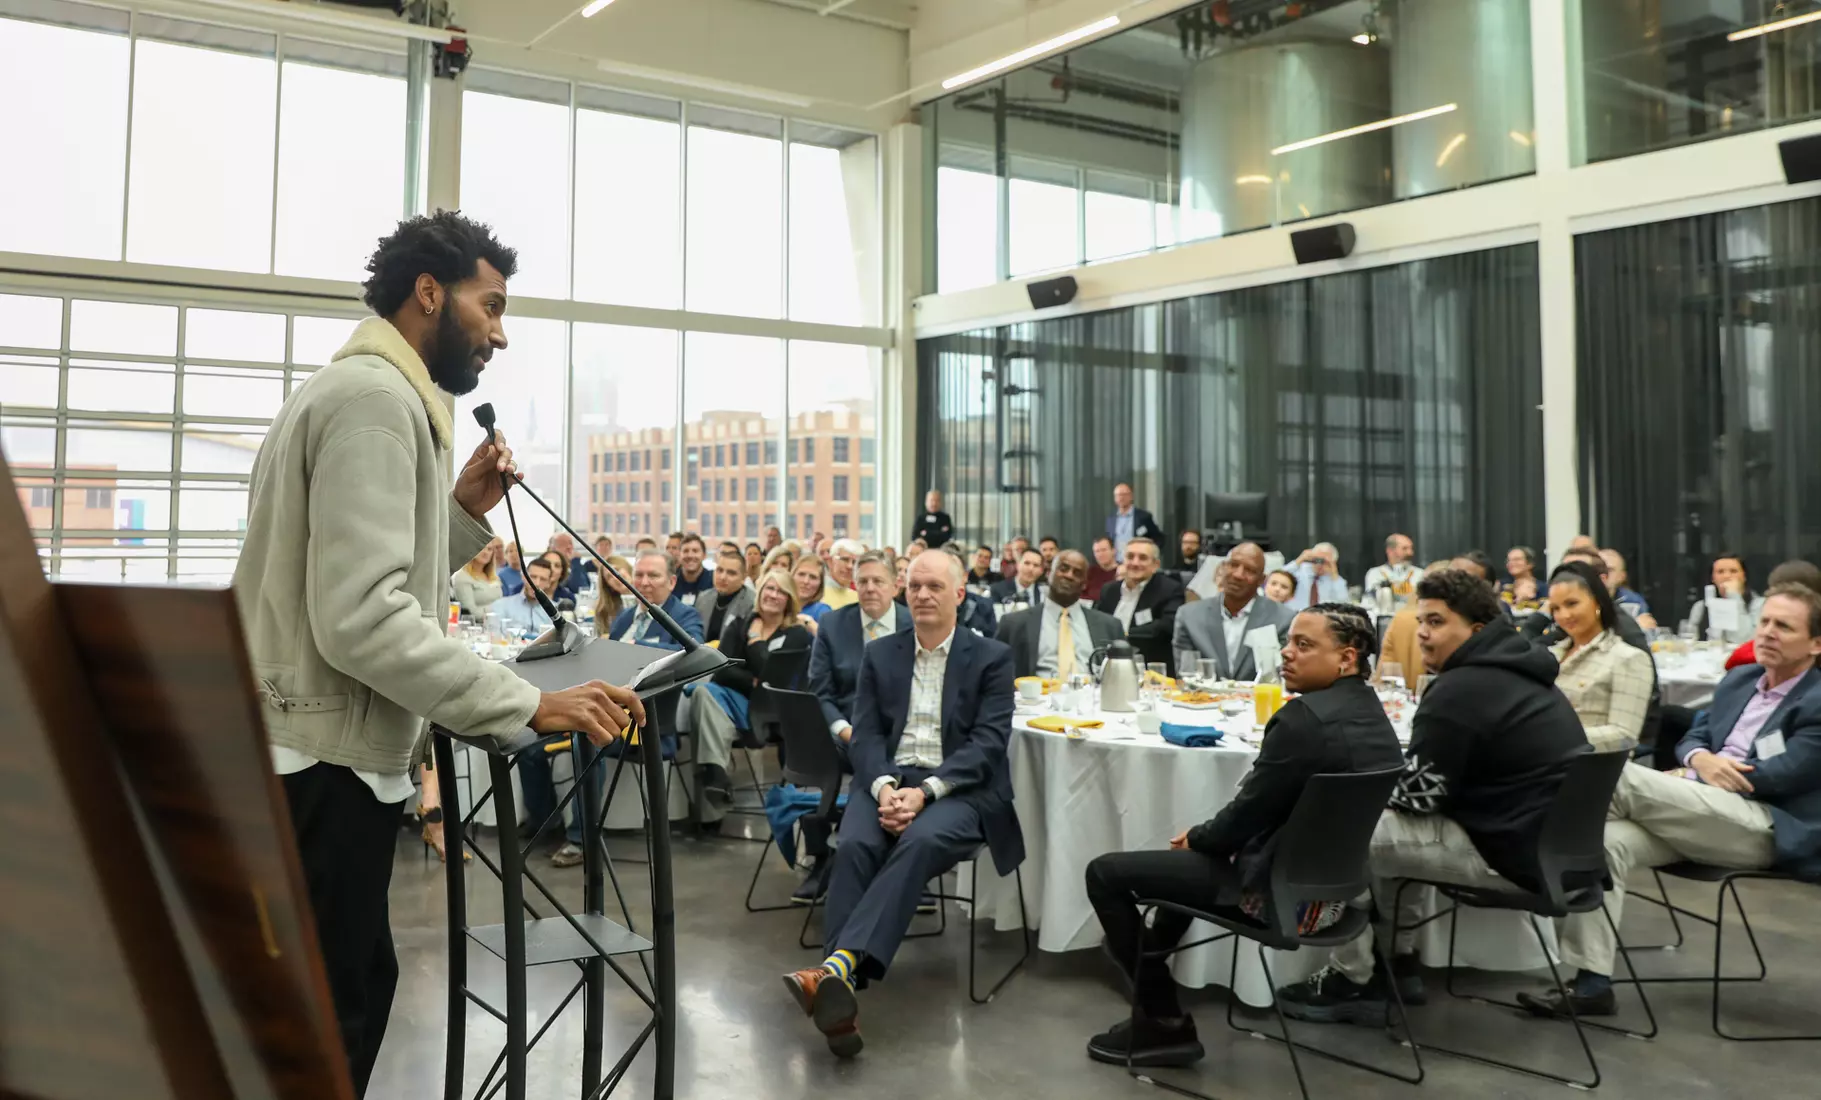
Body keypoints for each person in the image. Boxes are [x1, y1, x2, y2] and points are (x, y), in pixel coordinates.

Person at [234, 211, 641, 1096]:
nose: (499, 331)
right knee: (328, 1021)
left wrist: (458, 515)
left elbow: (347, 580)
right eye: (489, 306)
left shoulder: (350, 395)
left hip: (308, 753)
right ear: (429, 294)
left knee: (345, 991)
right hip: (325, 766)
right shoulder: (378, 404)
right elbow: (362, 621)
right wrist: (526, 702)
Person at [1084, 604, 1403, 1067]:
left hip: (1280, 899)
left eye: (1304, 645)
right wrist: (1206, 841)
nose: (1286, 655)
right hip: (1338, 896)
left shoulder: (1303, 721)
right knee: (1179, 878)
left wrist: (1197, 837)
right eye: (1288, 642)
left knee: (1105, 874)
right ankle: (1148, 973)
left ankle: (1163, 1020)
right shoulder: (1373, 714)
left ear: (1347, 658)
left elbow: (1242, 819)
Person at [1276, 569, 1590, 1025]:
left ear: (1476, 631)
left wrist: (1370, 794)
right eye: (1422, 620)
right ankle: (1399, 964)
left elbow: (1420, 800)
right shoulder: (1522, 670)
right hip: (1549, 842)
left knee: (1340, 831)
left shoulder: (1459, 690)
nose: (1422, 632)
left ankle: (1352, 978)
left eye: (1438, 622)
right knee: (1387, 837)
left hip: (1512, 856)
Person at [1525, 583, 1821, 1019]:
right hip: (1699, 808)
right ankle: (1591, 985)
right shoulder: (1741, 680)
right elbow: (1694, 736)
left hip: (1766, 825)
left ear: (1816, 643)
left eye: (1784, 626)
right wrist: (1701, 759)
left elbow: (1787, 773)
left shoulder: (1816, 700)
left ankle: (1522, 835)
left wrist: (1702, 771)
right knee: (1604, 842)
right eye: (1764, 622)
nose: (1767, 633)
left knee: (1614, 774)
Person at [781, 551, 1021, 1059]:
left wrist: (926, 792)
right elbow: (866, 734)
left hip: (960, 788)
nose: (923, 595)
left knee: (921, 839)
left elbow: (988, 745)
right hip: (889, 779)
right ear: (904, 593)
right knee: (854, 845)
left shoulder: (992, 657)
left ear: (959, 594)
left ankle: (834, 970)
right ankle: (839, 999)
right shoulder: (883, 653)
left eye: (935, 586)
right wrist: (886, 786)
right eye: (914, 586)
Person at [692, 569, 813, 810]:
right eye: (769, 588)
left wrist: (756, 640)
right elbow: (721, 670)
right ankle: (716, 773)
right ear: (760, 592)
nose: (773, 595)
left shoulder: (797, 633)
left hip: (770, 712)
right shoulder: (739, 624)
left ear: (789, 599)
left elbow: (774, 678)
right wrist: (751, 680)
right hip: (735, 702)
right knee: (701, 691)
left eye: (780, 591)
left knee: (711, 703)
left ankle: (714, 774)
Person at [1545, 561, 1655, 754]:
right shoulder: (1551, 654)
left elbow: (1624, 735)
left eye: (1572, 603)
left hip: (1595, 769)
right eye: (1555, 608)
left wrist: (1552, 738)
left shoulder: (1627, 658)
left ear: (1597, 602)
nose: (1564, 615)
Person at [1173, 542, 1295, 680]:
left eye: (1249, 570)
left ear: (1261, 580)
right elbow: (1186, 675)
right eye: (1233, 565)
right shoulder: (1189, 617)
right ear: (1222, 568)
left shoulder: (1284, 619)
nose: (1238, 575)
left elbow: (1280, 677)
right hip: (1204, 699)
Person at [996, 549, 1126, 680]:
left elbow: (1123, 679)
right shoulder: (1014, 624)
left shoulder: (1110, 626)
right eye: (1063, 569)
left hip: (1094, 697)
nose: (1069, 576)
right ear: (1048, 574)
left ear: (1084, 584)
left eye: (1077, 573)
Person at [1094, 537, 1185, 672]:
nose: (1135, 563)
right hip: (1107, 666)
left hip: (1150, 669)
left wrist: (1122, 635)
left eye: (1143, 558)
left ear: (1156, 565)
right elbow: (1096, 622)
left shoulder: (1170, 589)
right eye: (1130, 557)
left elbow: (1165, 627)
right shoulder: (1109, 590)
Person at [606, 549, 707, 650]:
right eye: (639, 575)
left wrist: (638, 647)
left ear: (671, 582)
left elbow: (695, 651)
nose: (644, 583)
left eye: (653, 576)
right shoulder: (624, 616)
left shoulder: (686, 616)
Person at [1689, 552, 1764, 645]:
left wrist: (1734, 596)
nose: (1727, 576)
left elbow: (1745, 640)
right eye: (1720, 572)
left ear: (1744, 576)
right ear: (1713, 578)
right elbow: (1690, 639)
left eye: (1733, 571)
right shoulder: (1700, 607)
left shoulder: (1760, 605)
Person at [696, 544, 757, 645]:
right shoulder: (703, 598)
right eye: (719, 570)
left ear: (743, 577)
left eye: (731, 573)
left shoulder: (751, 603)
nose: (723, 577)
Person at [496, 555, 557, 637]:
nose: (536, 583)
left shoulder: (555, 611)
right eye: (533, 577)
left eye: (543, 579)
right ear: (523, 577)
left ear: (548, 583)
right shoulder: (502, 605)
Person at [1363, 533, 1424, 611]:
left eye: (1411, 548)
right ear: (1390, 551)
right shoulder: (1375, 574)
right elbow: (1369, 603)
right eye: (1404, 549)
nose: (1410, 553)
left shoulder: (1420, 574)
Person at [1106, 482, 1164, 562]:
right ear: (1115, 498)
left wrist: (1151, 555)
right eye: (1118, 495)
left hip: (1137, 562)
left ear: (1131, 496)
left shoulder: (1144, 517)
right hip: (1117, 563)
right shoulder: (1111, 518)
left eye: (1124, 494)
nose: (1121, 498)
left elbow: (1158, 538)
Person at [1598, 547, 1654, 627]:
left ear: (1622, 577)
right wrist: (1634, 625)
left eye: (1610, 570)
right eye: (1599, 568)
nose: (1603, 573)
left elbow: (1646, 627)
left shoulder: (1633, 600)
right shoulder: (1584, 597)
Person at [1287, 543, 1348, 611]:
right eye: (1317, 560)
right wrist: (1298, 560)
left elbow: (1343, 600)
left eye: (1324, 562)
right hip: (1295, 614)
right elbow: (1278, 577)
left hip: (1321, 618)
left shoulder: (1335, 579)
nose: (1319, 564)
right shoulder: (1300, 569)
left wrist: (1334, 573)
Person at [452, 537, 503, 617]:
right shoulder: (461, 577)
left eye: (489, 549)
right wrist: (496, 612)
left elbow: (503, 604)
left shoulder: (493, 576)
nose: (485, 552)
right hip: (476, 626)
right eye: (481, 548)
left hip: (496, 625)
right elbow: (470, 611)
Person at [591, 554, 633, 636]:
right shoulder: (605, 611)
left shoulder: (651, 599)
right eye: (609, 577)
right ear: (609, 586)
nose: (615, 578)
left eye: (616, 570)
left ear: (627, 569)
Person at [822, 538, 865, 611]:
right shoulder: (817, 593)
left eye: (854, 562)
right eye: (845, 559)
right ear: (830, 561)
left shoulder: (858, 597)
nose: (850, 566)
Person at [793, 555, 834, 625]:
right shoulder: (780, 605)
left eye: (813, 577)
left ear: (820, 584)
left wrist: (810, 623)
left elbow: (829, 636)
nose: (806, 581)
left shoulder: (823, 612)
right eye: (801, 574)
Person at [1500, 546, 1542, 612]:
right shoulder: (1502, 586)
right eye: (1508, 560)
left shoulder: (1543, 588)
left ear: (1530, 564)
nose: (1511, 563)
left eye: (1517, 559)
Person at [672, 532, 713, 599]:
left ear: (704, 555)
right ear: (679, 555)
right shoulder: (671, 581)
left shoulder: (713, 581)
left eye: (695, 551)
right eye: (685, 551)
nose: (690, 555)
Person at [1086, 536, 1120, 602]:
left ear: (1113, 551)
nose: (1100, 554)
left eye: (1104, 550)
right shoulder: (1090, 572)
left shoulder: (1122, 572)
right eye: (1097, 551)